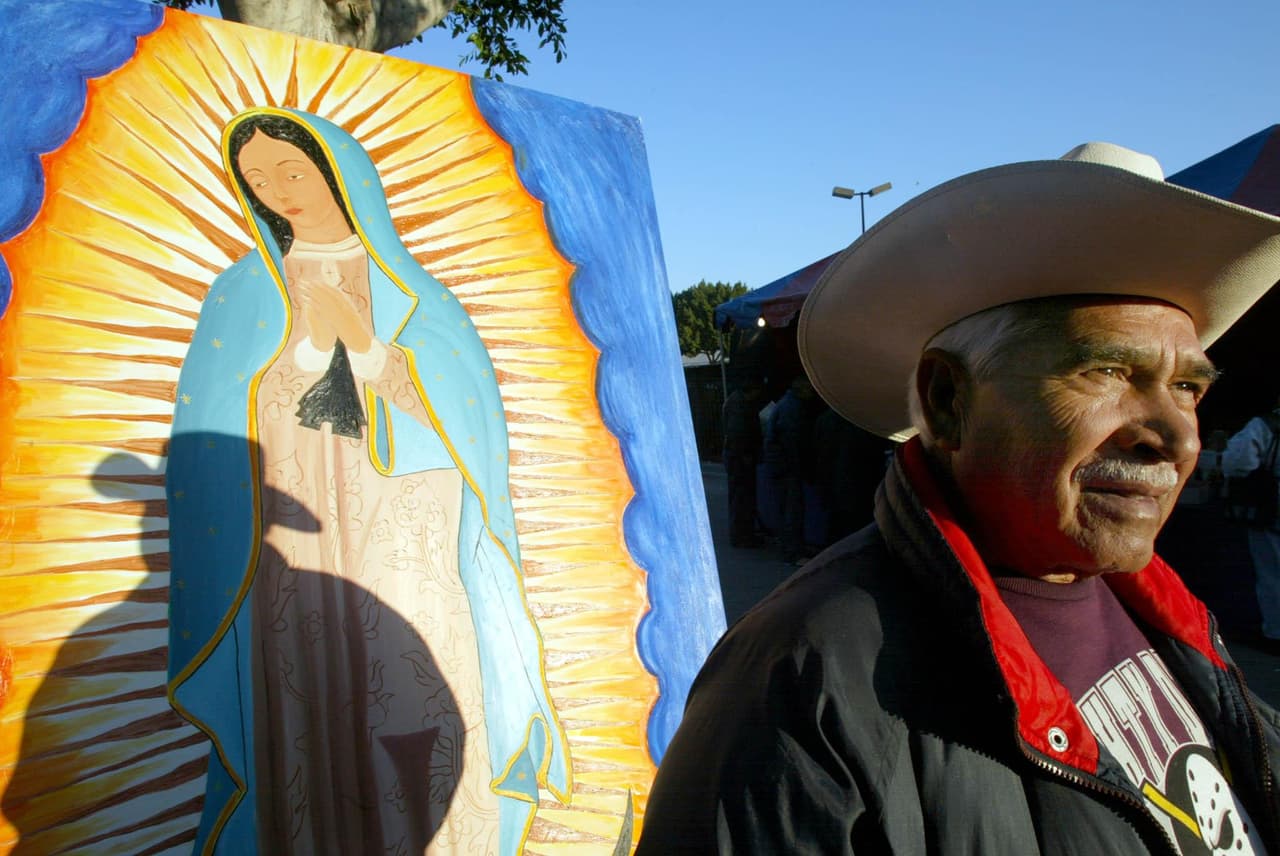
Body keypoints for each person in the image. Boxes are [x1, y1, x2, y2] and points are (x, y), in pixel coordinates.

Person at [637, 142, 1280, 854]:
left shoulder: (1171, 615)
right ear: (948, 401)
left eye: (1188, 387)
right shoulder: (799, 683)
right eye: (1109, 371)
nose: (1177, 439)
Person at [165, 108, 569, 855]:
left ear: (336, 172)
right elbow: (209, 438)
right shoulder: (242, 294)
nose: (278, 191)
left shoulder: (420, 298)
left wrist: (370, 351)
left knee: (412, 706)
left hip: (403, 541)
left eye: (292, 171)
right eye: (257, 180)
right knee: (309, 717)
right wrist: (290, 375)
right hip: (297, 559)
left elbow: (470, 432)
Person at [1223, 399, 1280, 650]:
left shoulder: (1266, 425)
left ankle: (1275, 634)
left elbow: (1239, 462)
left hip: (1273, 508)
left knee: (1272, 572)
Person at [722, 373, 767, 547]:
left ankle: (742, 534)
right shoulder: (741, 407)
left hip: (737, 459)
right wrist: (748, 456)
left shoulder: (735, 402)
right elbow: (739, 436)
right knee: (743, 499)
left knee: (739, 499)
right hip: (740, 461)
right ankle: (743, 536)